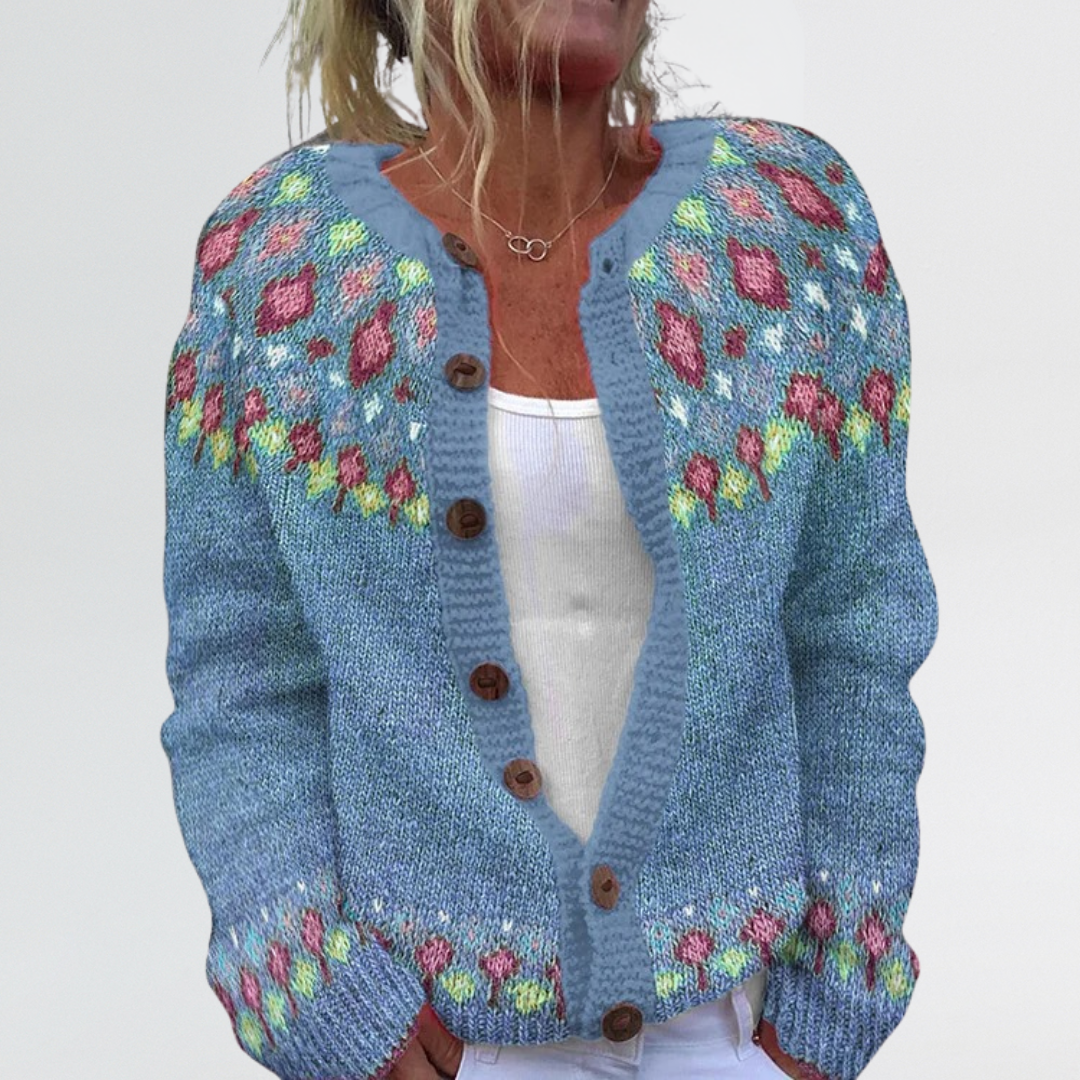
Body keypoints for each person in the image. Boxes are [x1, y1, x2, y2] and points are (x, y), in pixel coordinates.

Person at [160, 3, 938, 1079]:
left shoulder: (786, 225)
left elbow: (855, 627)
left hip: (732, 1029)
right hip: (438, 1039)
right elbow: (241, 676)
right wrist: (316, 994)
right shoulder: (279, 263)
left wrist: (834, 995)